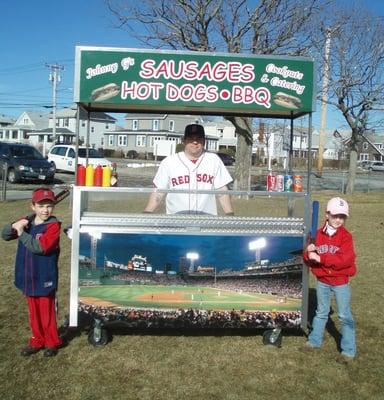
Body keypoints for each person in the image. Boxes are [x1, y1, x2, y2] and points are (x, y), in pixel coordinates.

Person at [1, 188, 63, 357]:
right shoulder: (27, 222)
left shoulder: (53, 226)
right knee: (33, 311)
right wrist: (15, 225)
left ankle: (51, 342)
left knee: (46, 310)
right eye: (41, 206)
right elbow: (5, 235)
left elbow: (41, 247)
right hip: (27, 275)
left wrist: (21, 233)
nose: (45, 210)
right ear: (33, 206)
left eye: (49, 206)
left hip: (44, 276)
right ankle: (37, 340)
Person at [301, 197, 357, 364]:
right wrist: (309, 252)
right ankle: (314, 341)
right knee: (321, 312)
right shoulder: (316, 235)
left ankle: (348, 350)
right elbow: (307, 257)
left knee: (344, 315)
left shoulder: (346, 237)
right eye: (335, 216)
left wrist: (321, 257)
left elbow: (345, 260)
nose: (338, 220)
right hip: (323, 280)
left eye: (342, 217)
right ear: (327, 215)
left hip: (341, 282)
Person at [144, 123, 234, 215]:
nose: (195, 142)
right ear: (184, 141)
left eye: (199, 138)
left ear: (204, 141)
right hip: (176, 220)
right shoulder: (169, 162)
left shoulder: (213, 160)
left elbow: (222, 191)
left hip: (206, 220)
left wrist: (229, 214)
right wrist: (147, 212)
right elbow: (158, 192)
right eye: (191, 138)